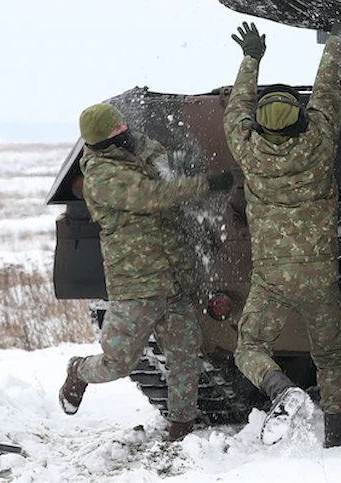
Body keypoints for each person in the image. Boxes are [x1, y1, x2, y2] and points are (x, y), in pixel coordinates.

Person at [58, 102, 236, 442]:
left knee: (185, 357)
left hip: (173, 278)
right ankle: (79, 370)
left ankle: (180, 427)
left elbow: (153, 151)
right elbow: (153, 196)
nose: (125, 131)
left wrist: (160, 160)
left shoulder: (130, 149)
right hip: (137, 284)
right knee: (119, 362)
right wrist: (205, 183)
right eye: (116, 130)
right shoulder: (103, 176)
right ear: (102, 141)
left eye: (124, 124)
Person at [223, 20, 341, 447]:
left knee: (248, 348)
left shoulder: (248, 149)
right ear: (300, 119)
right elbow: (328, 89)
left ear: (258, 125)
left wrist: (251, 57)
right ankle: (335, 437)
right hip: (319, 276)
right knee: (330, 358)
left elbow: (237, 108)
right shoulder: (320, 141)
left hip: (273, 279)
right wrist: (336, 41)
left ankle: (281, 389)